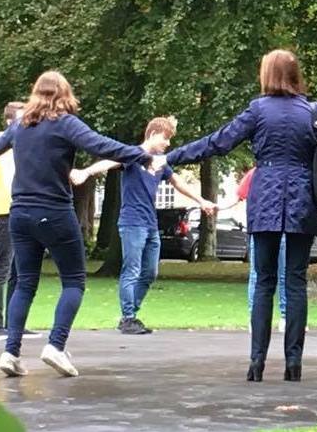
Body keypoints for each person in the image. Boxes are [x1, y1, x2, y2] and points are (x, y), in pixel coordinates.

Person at [164, 49, 317, 381]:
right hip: (302, 199)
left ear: (267, 75)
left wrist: (171, 156)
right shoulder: (315, 113)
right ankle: (293, 364)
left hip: (266, 198)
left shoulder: (258, 111)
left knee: (264, 284)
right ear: (296, 74)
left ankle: (256, 364)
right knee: (296, 283)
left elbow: (217, 143)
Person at [0, 71, 160, 379]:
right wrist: (141, 155)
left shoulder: (19, 126)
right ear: (65, 94)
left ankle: (10, 352)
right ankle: (55, 345)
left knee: (25, 283)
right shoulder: (65, 123)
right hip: (53, 212)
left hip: (19, 215)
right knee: (74, 281)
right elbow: (102, 145)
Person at [71, 117, 216, 335]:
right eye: (166, 138)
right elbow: (109, 161)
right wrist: (86, 172)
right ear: (153, 134)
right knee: (132, 270)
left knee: (150, 272)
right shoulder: (132, 154)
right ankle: (128, 317)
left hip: (150, 223)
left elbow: (178, 182)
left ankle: (129, 316)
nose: (168, 144)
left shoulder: (160, 162)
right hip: (132, 222)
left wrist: (201, 201)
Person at [0, 102, 38, 342]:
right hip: (5, 211)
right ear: (11, 121)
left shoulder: (26, 143)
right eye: (23, 117)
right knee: (3, 266)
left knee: (19, 269)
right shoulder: (1, 143)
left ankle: (15, 324)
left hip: (23, 208)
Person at [220, 166, 287, 332]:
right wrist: (216, 207)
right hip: (271, 228)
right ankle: (280, 318)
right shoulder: (261, 173)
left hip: (262, 228)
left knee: (262, 274)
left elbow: (236, 197)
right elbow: (237, 196)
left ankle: (266, 318)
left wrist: (216, 207)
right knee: (280, 273)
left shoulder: (255, 173)